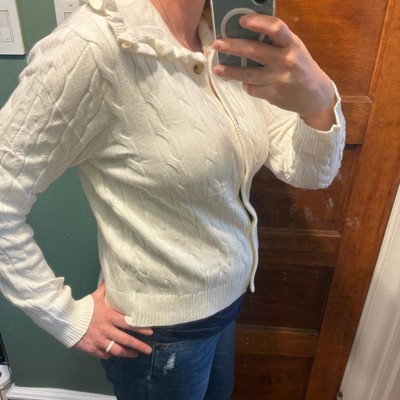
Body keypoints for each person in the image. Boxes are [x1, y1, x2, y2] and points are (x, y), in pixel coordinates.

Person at [0, 0, 345, 398]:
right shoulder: (93, 46)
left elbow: (308, 171)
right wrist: (65, 317)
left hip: (225, 308)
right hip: (158, 339)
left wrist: (318, 97)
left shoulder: (224, 38)